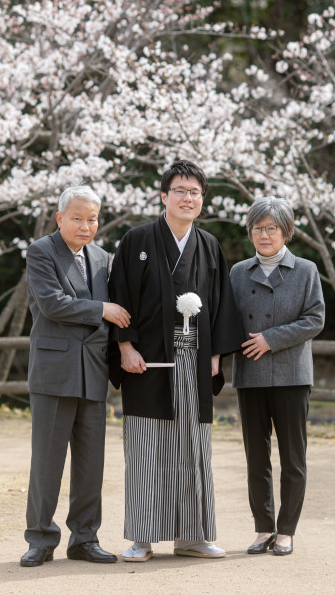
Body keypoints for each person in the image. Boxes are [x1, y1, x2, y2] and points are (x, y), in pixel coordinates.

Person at [108, 160, 245, 562]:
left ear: (202, 200)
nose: (188, 198)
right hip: (146, 360)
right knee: (147, 447)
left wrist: (217, 355)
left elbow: (221, 306)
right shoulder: (137, 240)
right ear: (163, 195)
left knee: (193, 446)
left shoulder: (209, 246)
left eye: (195, 192)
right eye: (180, 191)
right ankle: (142, 536)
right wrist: (125, 347)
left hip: (195, 359)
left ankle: (193, 536)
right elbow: (120, 295)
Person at [20, 184, 130, 567]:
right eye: (78, 218)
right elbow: (52, 304)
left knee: (90, 463)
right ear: (60, 218)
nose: (86, 226)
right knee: (47, 461)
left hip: (93, 371)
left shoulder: (101, 257)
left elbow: (119, 312)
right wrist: (101, 308)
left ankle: (84, 538)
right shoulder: (41, 251)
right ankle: (40, 538)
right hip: (54, 371)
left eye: (93, 219)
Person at [229, 196, 325, 556]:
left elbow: (315, 319)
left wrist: (271, 339)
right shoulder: (238, 272)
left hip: (291, 375)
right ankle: (262, 527)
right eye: (257, 228)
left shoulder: (306, 270)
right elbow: (227, 321)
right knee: (256, 456)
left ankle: (286, 530)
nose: (264, 234)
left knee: (293, 456)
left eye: (271, 228)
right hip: (250, 375)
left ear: (286, 231)